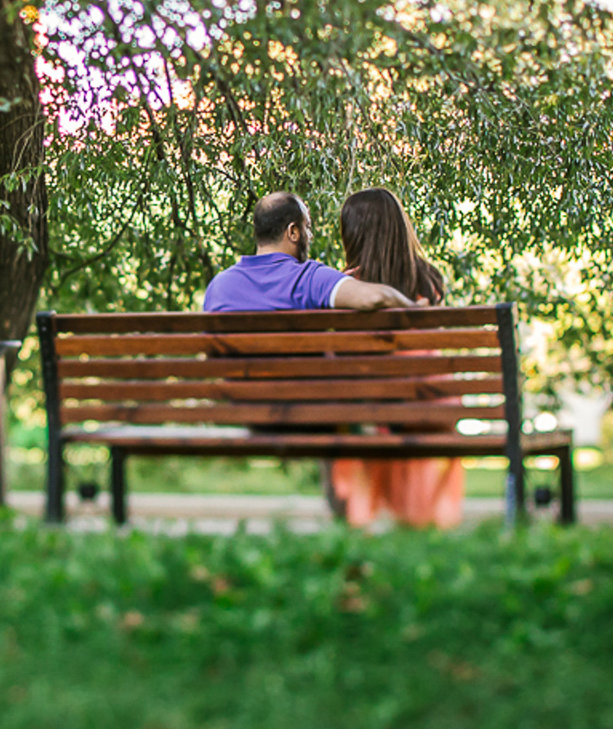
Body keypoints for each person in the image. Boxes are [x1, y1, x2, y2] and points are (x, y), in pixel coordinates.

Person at [326, 187, 467, 529]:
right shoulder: (429, 282)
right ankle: (416, 520)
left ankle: (361, 521)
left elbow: (337, 362)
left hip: (367, 411)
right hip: (427, 406)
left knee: (357, 413)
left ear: (352, 234)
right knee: (403, 408)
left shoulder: (345, 288)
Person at [200, 191, 415, 313]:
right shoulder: (309, 279)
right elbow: (374, 298)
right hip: (298, 392)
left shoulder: (219, 286)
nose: (309, 235)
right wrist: (413, 307)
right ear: (293, 232)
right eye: (307, 227)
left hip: (238, 392)